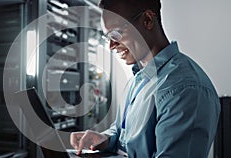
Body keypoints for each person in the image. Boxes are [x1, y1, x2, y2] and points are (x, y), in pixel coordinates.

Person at [70, 0, 221, 157]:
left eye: (115, 34)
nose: (111, 45)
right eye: (107, 37)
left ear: (147, 20)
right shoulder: (139, 80)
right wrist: (106, 139)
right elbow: (124, 135)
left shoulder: (184, 88)